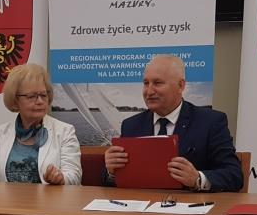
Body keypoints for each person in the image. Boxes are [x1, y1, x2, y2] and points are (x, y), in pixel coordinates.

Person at [104, 54, 243, 192]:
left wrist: (197, 179)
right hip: (140, 204)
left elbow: (234, 175)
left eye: (157, 83)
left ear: (180, 86)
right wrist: (111, 171)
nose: (149, 91)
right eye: (146, 83)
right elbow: (110, 182)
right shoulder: (131, 125)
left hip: (189, 204)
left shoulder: (210, 122)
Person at [0, 63, 81, 185]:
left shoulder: (65, 131)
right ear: (15, 100)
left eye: (43, 95)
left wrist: (61, 178)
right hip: (7, 198)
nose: (40, 101)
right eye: (32, 96)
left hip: (51, 197)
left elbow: (74, 176)